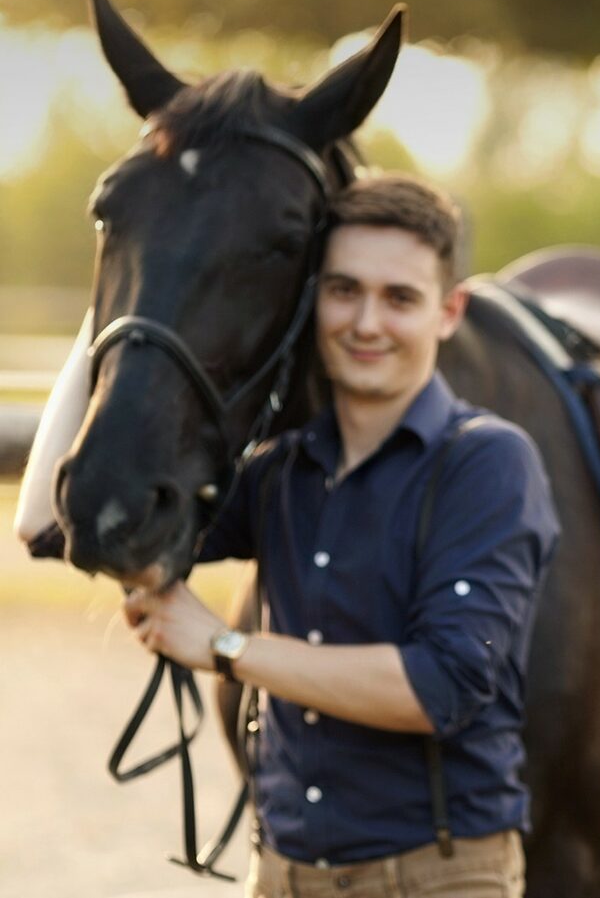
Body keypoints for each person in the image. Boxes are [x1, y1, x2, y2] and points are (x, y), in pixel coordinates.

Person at [121, 174, 559, 897]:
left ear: (449, 311)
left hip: (439, 878)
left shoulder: (490, 463)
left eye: (400, 298)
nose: (365, 322)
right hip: (281, 874)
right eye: (344, 289)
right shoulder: (280, 468)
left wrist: (227, 647)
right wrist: (123, 320)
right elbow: (94, 520)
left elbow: (443, 684)